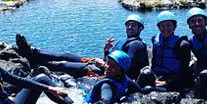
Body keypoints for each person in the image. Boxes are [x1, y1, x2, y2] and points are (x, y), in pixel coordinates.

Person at [15, 14, 150, 81]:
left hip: (111, 74)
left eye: (134, 25)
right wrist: (106, 52)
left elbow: (125, 68)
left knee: (64, 64)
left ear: (140, 29)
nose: (130, 27)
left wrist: (103, 64)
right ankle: (32, 52)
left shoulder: (136, 45)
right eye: (128, 24)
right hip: (106, 68)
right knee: (66, 55)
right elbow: (114, 62)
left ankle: (35, 61)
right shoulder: (126, 42)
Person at [139, 10, 193, 92]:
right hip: (158, 76)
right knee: (144, 75)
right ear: (159, 27)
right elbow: (154, 62)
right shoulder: (156, 41)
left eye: (169, 25)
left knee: (148, 89)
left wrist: (167, 82)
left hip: (174, 80)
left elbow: (184, 70)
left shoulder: (182, 44)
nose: (165, 28)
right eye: (162, 26)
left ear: (174, 26)